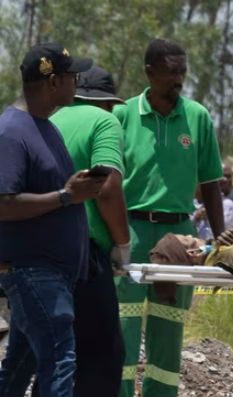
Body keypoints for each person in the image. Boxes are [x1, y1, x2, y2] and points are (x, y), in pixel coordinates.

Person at [113, 38, 225, 397]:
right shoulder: (123, 115)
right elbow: (108, 184)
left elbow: (211, 184)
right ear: (149, 73)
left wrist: (221, 242)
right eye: (171, 72)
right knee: (123, 326)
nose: (179, 79)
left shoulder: (198, 117)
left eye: (183, 72)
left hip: (179, 236)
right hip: (129, 229)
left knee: (169, 328)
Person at [0, 43, 100, 397]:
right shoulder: (11, 131)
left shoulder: (46, 127)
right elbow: (5, 204)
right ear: (54, 81)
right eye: (73, 76)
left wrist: (76, 190)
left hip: (49, 274)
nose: (78, 82)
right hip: (33, 272)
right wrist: (66, 196)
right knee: (60, 360)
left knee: (17, 370)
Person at [35, 66, 129, 397]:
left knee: (54, 355)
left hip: (38, 254)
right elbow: (106, 187)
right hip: (81, 255)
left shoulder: (48, 121)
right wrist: (122, 242)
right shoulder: (105, 121)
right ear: (108, 102)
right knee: (104, 353)